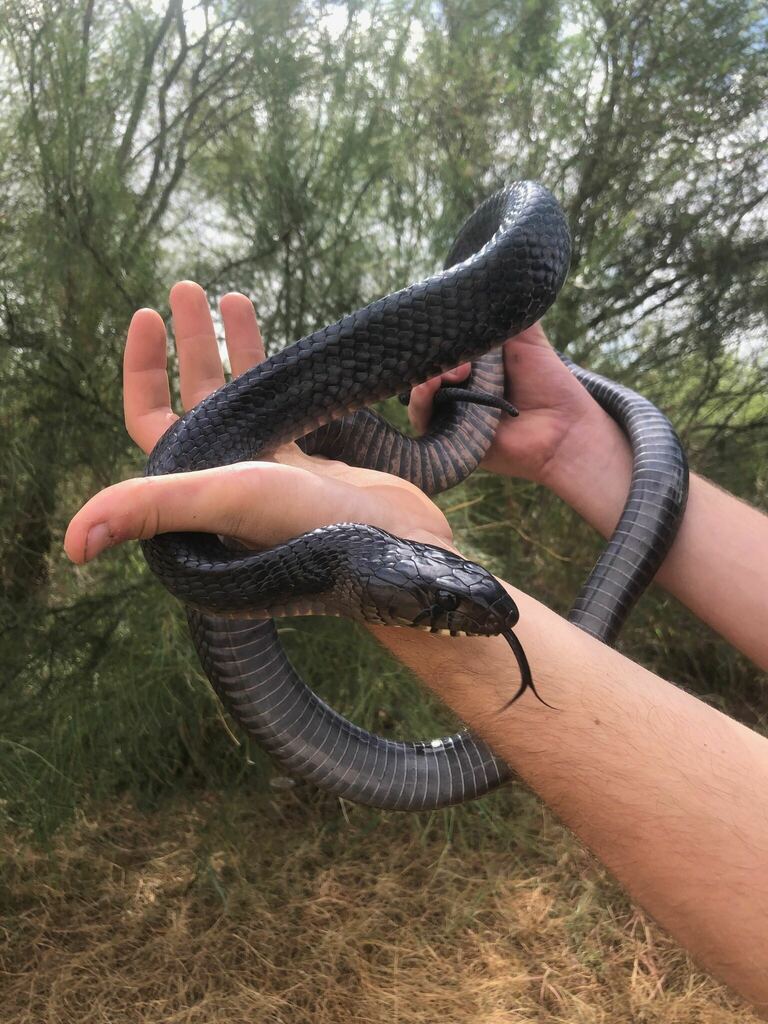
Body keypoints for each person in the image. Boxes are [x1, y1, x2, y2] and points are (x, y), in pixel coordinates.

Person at [65, 281, 768, 1014]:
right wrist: (575, 444)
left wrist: (406, 541)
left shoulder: (259, 566)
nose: (472, 609)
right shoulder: (229, 566)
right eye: (442, 606)